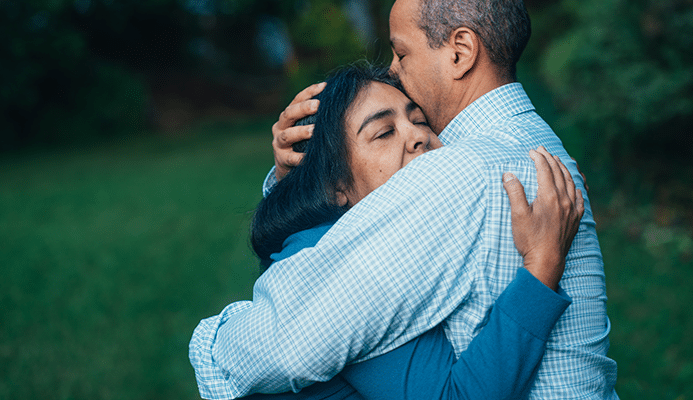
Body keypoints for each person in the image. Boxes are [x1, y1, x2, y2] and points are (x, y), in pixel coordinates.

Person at [194, 0, 618, 398]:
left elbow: (284, 342)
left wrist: (212, 342)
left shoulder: (458, 171)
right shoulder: (534, 145)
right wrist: (300, 181)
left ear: (460, 51)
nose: (395, 71)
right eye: (383, 131)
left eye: (401, 53)